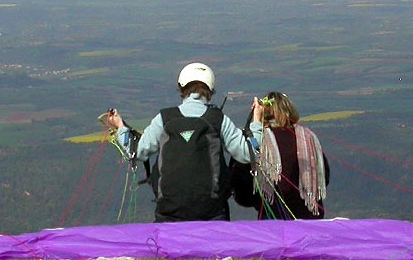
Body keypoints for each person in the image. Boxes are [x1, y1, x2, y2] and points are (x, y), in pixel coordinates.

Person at [105, 62, 263, 222]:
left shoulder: (164, 118)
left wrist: (121, 127)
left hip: (169, 212)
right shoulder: (218, 119)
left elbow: (136, 152)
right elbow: (247, 153)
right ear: (210, 90)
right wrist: (256, 122)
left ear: (181, 88)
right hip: (212, 212)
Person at [231, 91, 329, 220]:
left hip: (272, 217)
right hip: (310, 219)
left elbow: (241, 184)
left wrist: (256, 201)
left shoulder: (256, 141)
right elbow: (324, 177)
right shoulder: (309, 138)